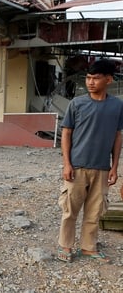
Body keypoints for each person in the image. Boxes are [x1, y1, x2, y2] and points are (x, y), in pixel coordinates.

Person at [57, 59, 123, 263]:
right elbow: (66, 134)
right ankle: (66, 246)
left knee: (95, 212)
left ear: (108, 80)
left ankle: (88, 247)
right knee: (70, 210)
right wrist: (67, 164)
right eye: (88, 78)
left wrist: (114, 166)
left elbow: (118, 136)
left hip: (102, 168)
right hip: (77, 166)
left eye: (96, 78)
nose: (90, 82)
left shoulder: (117, 106)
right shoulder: (77, 104)